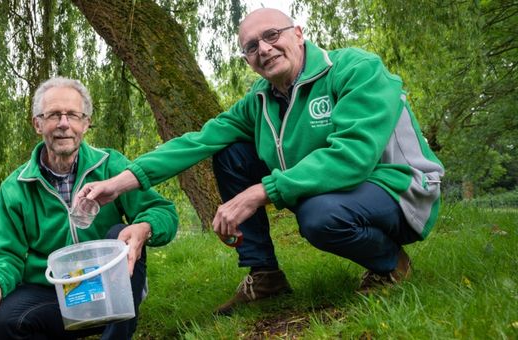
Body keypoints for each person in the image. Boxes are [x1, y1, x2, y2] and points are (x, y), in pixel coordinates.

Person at [77, 8, 444, 316]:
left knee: (319, 216)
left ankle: (389, 263)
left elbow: (354, 156)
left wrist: (260, 192)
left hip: (402, 189)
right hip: (339, 193)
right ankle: (265, 275)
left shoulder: (354, 69)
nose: (264, 49)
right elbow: (197, 142)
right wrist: (118, 183)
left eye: (272, 35)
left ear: (298, 34)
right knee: (230, 151)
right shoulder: (260, 100)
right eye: (251, 47)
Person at [0, 76, 179, 339]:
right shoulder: (15, 188)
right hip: (51, 297)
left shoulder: (111, 166)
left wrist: (144, 228)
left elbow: (163, 211)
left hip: (110, 296)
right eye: (53, 115)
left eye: (73, 115)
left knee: (120, 234)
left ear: (86, 123)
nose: (63, 124)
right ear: (38, 124)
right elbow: (3, 253)